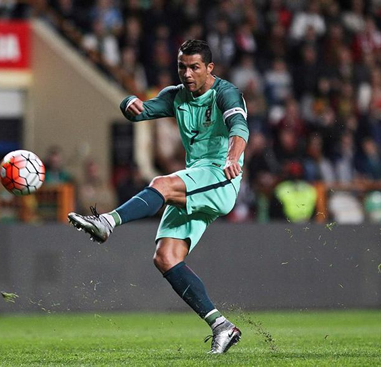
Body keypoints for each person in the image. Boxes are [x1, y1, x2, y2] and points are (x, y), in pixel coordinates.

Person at [68, 40, 249, 354]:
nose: (187, 73)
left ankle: (107, 222)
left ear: (210, 68)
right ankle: (221, 325)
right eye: (182, 66)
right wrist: (128, 103)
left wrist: (233, 158)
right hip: (195, 178)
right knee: (165, 258)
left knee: (162, 184)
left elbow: (239, 128)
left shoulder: (226, 93)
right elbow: (138, 112)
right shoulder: (175, 96)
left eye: (194, 67)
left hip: (221, 176)